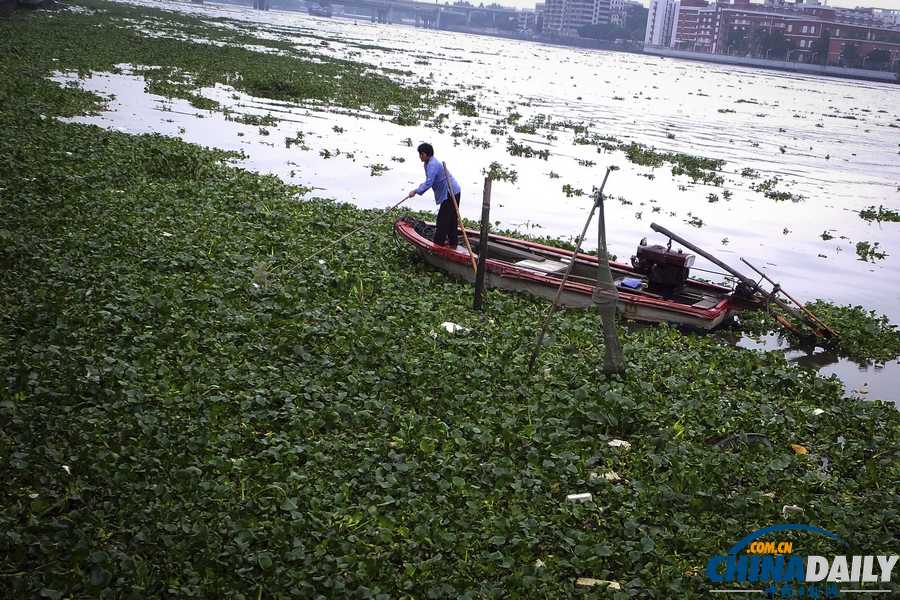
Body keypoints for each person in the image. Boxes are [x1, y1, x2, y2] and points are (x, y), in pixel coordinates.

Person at [406, 143, 462, 247]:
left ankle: (438, 244)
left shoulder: (432, 164)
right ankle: (453, 243)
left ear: (426, 154)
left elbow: (429, 183)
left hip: (451, 193)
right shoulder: (428, 163)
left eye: (421, 154)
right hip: (452, 192)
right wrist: (418, 189)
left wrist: (415, 191)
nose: (420, 157)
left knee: (443, 220)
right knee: (450, 219)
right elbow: (428, 180)